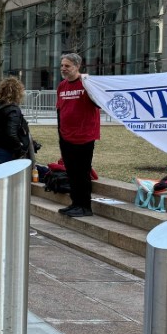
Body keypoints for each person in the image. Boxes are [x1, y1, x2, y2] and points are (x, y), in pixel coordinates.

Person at [57, 53, 100, 218]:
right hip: (66, 136)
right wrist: (60, 133)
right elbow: (60, 110)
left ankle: (85, 206)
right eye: (62, 66)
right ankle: (75, 203)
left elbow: (98, 103)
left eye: (67, 66)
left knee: (82, 172)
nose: (63, 69)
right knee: (72, 172)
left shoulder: (87, 84)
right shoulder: (62, 86)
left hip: (84, 136)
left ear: (77, 66)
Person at [0, 77, 31, 168]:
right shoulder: (13, 110)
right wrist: (19, 148)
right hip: (5, 152)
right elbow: (11, 133)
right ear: (17, 93)